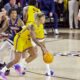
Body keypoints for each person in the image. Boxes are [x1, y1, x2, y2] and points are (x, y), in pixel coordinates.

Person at [0, 12, 48, 80]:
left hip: (27, 40)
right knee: (16, 59)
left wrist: (43, 47)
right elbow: (34, 39)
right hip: (20, 39)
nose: (44, 19)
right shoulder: (32, 25)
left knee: (34, 54)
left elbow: (40, 39)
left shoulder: (40, 26)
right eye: (43, 18)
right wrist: (42, 47)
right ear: (39, 19)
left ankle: (20, 65)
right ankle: (2, 71)